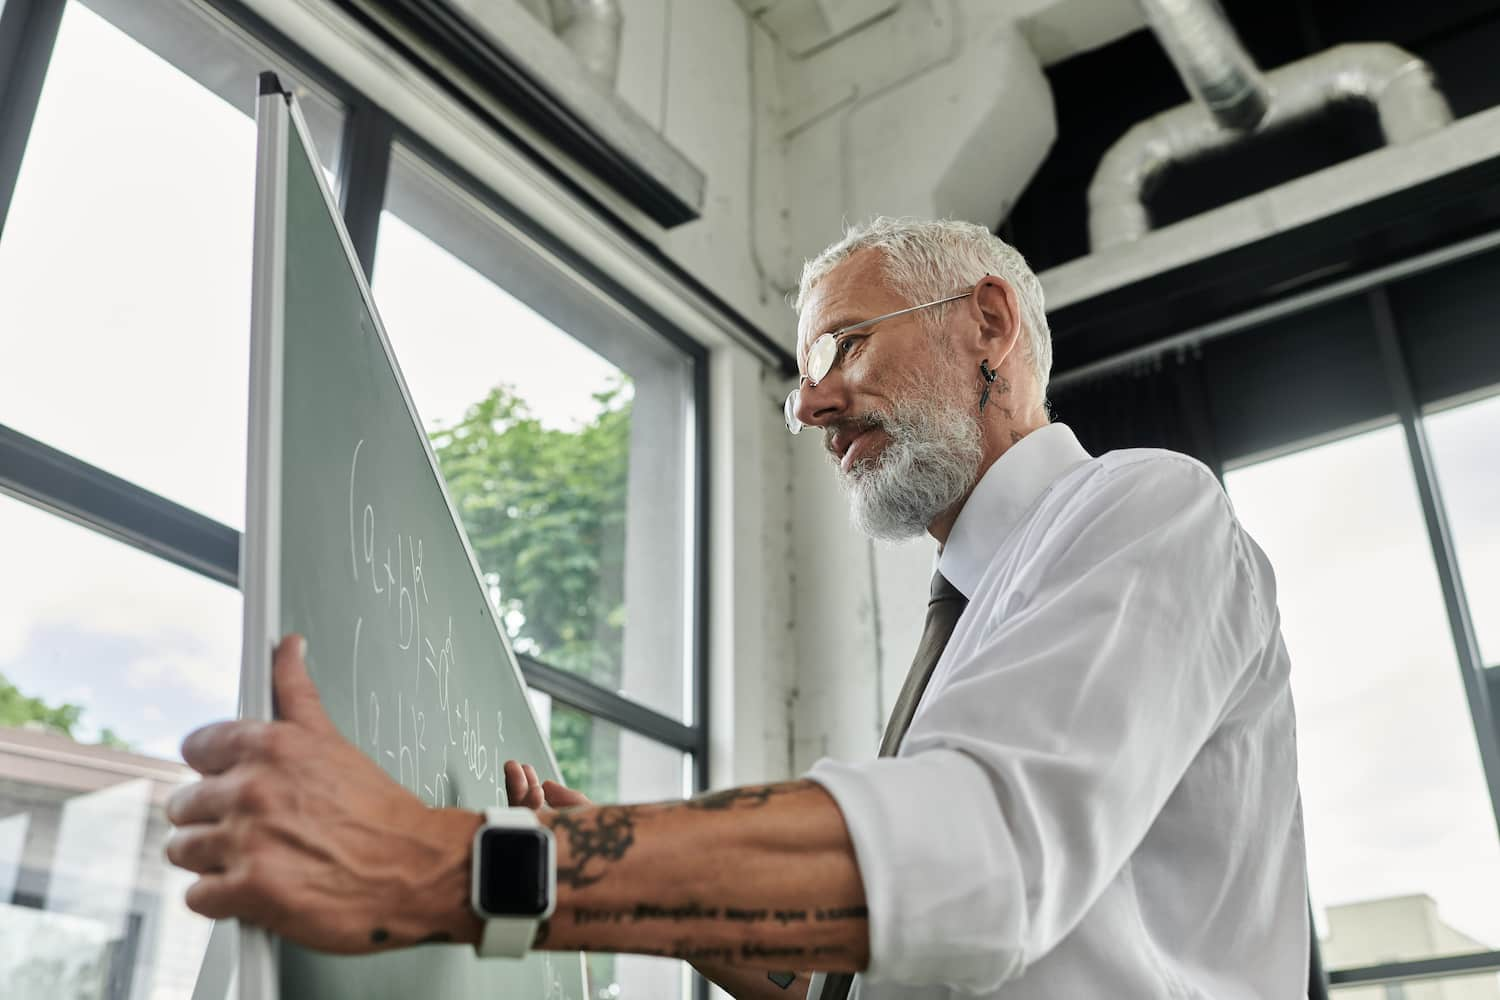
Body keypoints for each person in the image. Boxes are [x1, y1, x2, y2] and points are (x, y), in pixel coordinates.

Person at [165, 217, 1307, 998]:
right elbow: (863, 974)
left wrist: (454, 859)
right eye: (801, 377)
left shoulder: (1145, 509)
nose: (811, 405)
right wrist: (631, 884)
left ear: (991, 326)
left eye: (844, 345)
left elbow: (984, 856)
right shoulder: (982, 615)